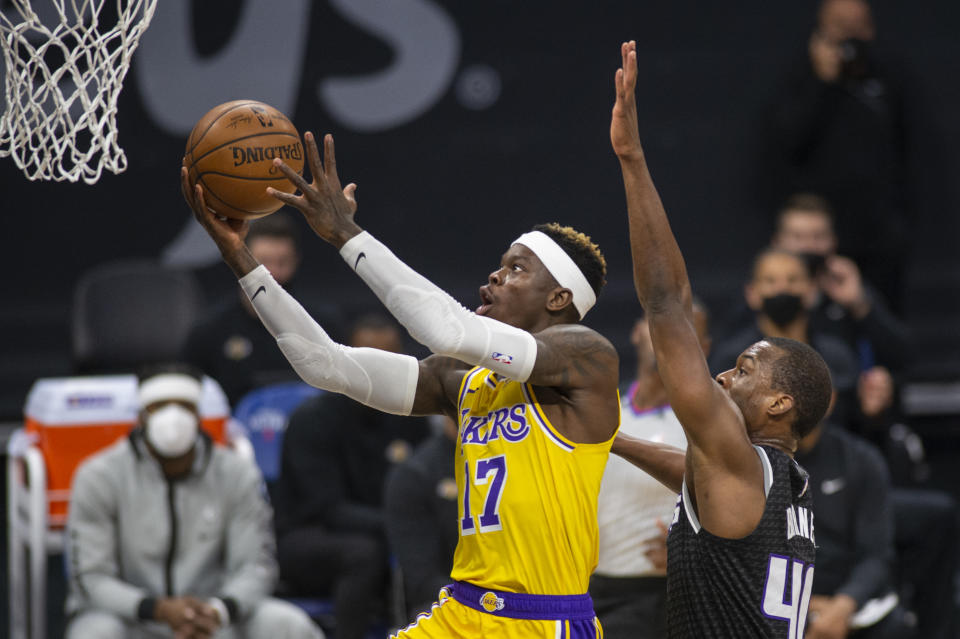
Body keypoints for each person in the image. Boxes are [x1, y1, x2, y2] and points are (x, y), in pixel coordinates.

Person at [181, 126, 620, 638]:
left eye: (516, 269)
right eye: (498, 267)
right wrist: (241, 259)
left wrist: (346, 234)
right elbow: (324, 364)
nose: (494, 278)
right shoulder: (464, 380)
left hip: (543, 620)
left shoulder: (587, 357)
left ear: (558, 299)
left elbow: (445, 327)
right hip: (464, 613)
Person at [610, 41, 833, 638]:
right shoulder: (787, 483)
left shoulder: (738, 460)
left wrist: (632, 161)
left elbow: (666, 305)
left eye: (744, 368)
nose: (723, 375)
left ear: (780, 403)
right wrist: (611, 438)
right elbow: (693, 468)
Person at [64, 364, 322, 639]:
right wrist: (158, 609)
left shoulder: (236, 473)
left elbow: (255, 566)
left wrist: (218, 610)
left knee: (287, 625)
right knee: (94, 633)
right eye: (159, 406)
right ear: (140, 417)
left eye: (184, 406)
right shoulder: (99, 476)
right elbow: (91, 577)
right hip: (134, 619)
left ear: (198, 416)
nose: (172, 417)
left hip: (215, 618)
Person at [271, 315, 430, 639]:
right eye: (370, 360)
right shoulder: (312, 420)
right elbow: (325, 508)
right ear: (346, 360)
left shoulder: (412, 418)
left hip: (384, 528)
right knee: (363, 552)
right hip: (307, 537)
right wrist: (399, 522)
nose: (381, 372)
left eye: (392, 361)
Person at [762, 0, 911, 309]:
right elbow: (787, 143)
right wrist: (823, 82)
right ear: (820, 30)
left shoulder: (886, 79)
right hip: (819, 238)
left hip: (879, 239)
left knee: (877, 320)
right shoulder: (799, 80)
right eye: (840, 28)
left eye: (857, 27)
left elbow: (906, 152)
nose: (849, 38)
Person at [590, 303, 710, 639]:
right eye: (657, 324)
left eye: (685, 330)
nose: (668, 336)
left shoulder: (710, 428)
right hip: (586, 587)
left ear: (705, 347)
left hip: (661, 593)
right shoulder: (603, 410)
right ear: (636, 331)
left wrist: (693, 552)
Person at [183, 212, 345, 404]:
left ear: (295, 261)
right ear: (239, 261)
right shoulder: (209, 332)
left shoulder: (325, 327)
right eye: (263, 263)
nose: (273, 273)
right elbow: (187, 396)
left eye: (282, 262)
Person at [795, 420, 916, 639]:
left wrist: (842, 606)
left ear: (830, 399)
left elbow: (877, 554)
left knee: (895, 627)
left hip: (847, 596)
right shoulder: (754, 463)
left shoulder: (860, 458)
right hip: (781, 597)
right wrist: (804, 604)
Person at [709, 248, 859, 424]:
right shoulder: (733, 360)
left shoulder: (836, 356)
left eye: (792, 280)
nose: (782, 288)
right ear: (752, 293)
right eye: (770, 281)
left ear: (811, 290)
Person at [769, 193, 909, 373]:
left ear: (833, 241)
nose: (808, 246)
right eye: (797, 237)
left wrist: (859, 305)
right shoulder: (763, 293)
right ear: (777, 243)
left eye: (818, 237)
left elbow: (902, 355)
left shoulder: (848, 290)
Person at [384, 416, 460, 619]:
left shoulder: (525, 465)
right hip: (451, 603)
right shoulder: (414, 474)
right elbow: (422, 580)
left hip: (526, 599)